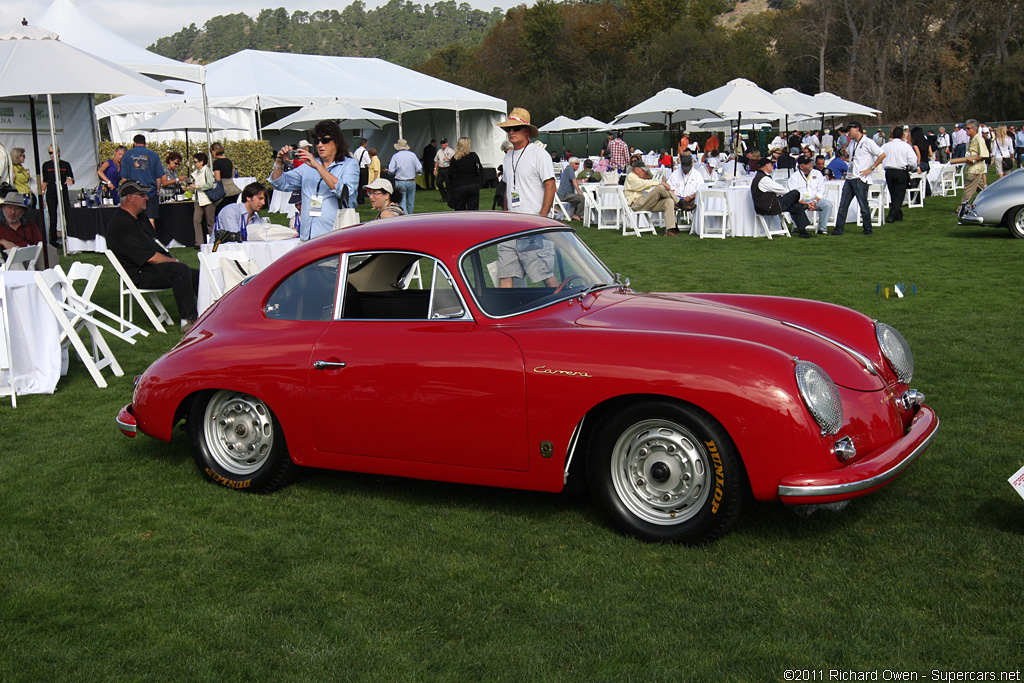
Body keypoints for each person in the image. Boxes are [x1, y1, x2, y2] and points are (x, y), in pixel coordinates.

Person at [106, 180, 199, 331]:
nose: (147, 198)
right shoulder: (122, 224)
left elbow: (155, 244)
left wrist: (172, 260)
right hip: (138, 274)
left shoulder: (140, 217)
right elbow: (149, 257)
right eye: (142, 195)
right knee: (180, 270)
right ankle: (188, 321)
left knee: (196, 274)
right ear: (129, 197)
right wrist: (174, 262)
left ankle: (210, 313)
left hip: (149, 267)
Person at [496, 107, 558, 288]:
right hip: (510, 227)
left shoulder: (539, 154)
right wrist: (506, 214)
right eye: (508, 129)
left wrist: (542, 219)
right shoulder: (508, 157)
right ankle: (504, 314)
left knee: (544, 274)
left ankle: (564, 309)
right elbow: (508, 187)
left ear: (527, 131)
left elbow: (550, 185)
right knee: (505, 274)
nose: (511, 132)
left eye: (515, 128)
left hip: (532, 226)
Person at [270, 119, 359, 240]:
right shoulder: (308, 166)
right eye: (317, 141)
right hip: (308, 237)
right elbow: (280, 183)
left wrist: (318, 167)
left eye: (325, 140)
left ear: (337, 142)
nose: (320, 145)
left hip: (336, 235)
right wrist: (279, 160)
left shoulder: (349, 164)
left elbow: (345, 191)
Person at [831, 122, 885, 236]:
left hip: (861, 178)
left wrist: (871, 168)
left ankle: (868, 229)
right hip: (850, 177)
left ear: (856, 129)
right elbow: (851, 157)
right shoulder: (853, 143)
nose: (848, 133)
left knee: (863, 205)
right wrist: (844, 153)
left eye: (849, 130)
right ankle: (838, 230)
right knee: (843, 205)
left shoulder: (868, 142)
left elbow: (882, 154)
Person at [751, 157, 812, 238]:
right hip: (769, 206)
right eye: (771, 165)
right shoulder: (764, 179)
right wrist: (797, 199)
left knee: (796, 206)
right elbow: (783, 190)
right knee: (795, 193)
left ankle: (803, 232)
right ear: (766, 165)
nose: (772, 167)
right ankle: (802, 204)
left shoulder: (759, 177)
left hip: (767, 205)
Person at [120, 135, 168, 227]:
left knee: (134, 219)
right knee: (150, 218)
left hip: (133, 194)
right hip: (150, 191)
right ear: (145, 143)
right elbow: (158, 177)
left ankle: (136, 240)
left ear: (134, 143)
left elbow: (124, 177)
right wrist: (157, 190)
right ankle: (151, 239)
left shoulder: (127, 155)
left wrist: (126, 193)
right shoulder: (154, 155)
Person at [624, 161, 679, 236]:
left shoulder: (637, 179)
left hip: (644, 203)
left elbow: (646, 188)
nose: (644, 173)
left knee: (668, 201)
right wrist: (660, 183)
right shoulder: (631, 176)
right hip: (636, 203)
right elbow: (642, 184)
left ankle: (670, 229)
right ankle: (679, 202)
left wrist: (667, 191)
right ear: (636, 169)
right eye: (642, 170)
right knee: (660, 187)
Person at [880, 126, 917, 224]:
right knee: (899, 195)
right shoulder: (906, 146)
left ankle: (898, 215)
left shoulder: (885, 146)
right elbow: (913, 161)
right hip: (901, 171)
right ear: (902, 135)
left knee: (893, 194)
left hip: (889, 171)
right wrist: (912, 168)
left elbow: (879, 156)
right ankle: (892, 216)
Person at [788, 156, 833, 234]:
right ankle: (801, 228)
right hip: (801, 201)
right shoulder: (794, 177)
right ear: (801, 167)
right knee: (796, 206)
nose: (810, 164)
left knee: (828, 205)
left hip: (814, 199)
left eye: (810, 162)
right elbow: (793, 194)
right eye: (807, 163)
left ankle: (822, 228)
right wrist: (806, 203)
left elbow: (821, 189)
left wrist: (815, 201)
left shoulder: (817, 173)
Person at [949, 119, 989, 206]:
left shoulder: (979, 139)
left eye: (968, 128)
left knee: (968, 188)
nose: (966, 130)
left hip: (975, 169)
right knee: (983, 190)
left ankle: (961, 209)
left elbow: (985, 154)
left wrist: (974, 160)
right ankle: (993, 201)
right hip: (971, 168)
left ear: (974, 129)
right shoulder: (971, 139)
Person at [40, 144, 74, 246]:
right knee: (53, 217)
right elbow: (45, 181)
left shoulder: (65, 165)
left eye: (54, 152)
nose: (52, 155)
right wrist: (42, 195)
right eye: (50, 153)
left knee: (67, 214)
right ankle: (53, 240)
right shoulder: (46, 165)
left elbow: (71, 177)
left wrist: (69, 179)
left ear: (59, 153)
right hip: (51, 192)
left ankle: (70, 238)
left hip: (62, 191)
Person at [186, 152, 216, 247]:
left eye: (195, 162)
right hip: (199, 200)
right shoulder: (196, 173)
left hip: (208, 200)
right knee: (196, 220)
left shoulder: (207, 171)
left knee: (210, 222)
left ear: (201, 162)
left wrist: (197, 186)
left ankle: (213, 241)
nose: (194, 164)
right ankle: (199, 242)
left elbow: (210, 185)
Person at [447, 137, 483, 211]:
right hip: (473, 185)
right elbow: (480, 170)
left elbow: (450, 174)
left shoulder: (455, 158)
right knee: (473, 209)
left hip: (459, 186)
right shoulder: (474, 156)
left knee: (460, 210)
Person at [389, 139, 422, 216]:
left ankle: (406, 217)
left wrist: (395, 172)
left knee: (402, 202)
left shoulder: (395, 156)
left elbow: (391, 170)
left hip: (400, 180)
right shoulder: (412, 155)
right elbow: (419, 168)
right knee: (411, 202)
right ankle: (410, 216)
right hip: (411, 181)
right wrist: (417, 173)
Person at [208, 141, 242, 217]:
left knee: (219, 212)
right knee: (231, 212)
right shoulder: (229, 161)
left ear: (214, 151)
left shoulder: (216, 163)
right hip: (233, 189)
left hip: (225, 190)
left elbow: (218, 179)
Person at [555, 156, 584, 221]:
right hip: (564, 195)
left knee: (578, 198)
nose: (578, 165)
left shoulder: (568, 169)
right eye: (576, 164)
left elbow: (575, 180)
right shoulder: (570, 169)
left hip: (562, 194)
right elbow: (574, 180)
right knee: (582, 198)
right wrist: (579, 192)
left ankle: (575, 215)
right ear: (571, 164)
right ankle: (577, 215)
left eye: (579, 164)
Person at [433, 138, 455, 203]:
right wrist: (435, 169)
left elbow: (454, 160)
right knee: (438, 183)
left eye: (443, 143)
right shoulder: (439, 151)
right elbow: (436, 161)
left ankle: (448, 198)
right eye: (441, 143)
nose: (442, 144)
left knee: (448, 184)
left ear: (447, 144)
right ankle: (444, 195)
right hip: (441, 169)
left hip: (448, 169)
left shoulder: (451, 151)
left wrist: (448, 159)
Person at [353, 138, 371, 205]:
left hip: (358, 169)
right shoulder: (365, 152)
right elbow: (368, 162)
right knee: (363, 185)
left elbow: (354, 160)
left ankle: (357, 199)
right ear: (365, 144)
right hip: (363, 169)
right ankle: (361, 200)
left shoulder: (356, 151)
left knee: (359, 184)